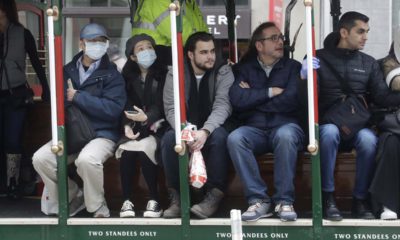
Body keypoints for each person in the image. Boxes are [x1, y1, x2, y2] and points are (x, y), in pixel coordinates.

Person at [301, 11, 400, 221]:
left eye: (367, 32)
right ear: (344, 32)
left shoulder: (369, 62)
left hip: (357, 125)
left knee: (368, 140)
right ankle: (327, 198)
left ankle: (359, 200)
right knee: (327, 133)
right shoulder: (317, 57)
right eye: (360, 31)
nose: (365, 37)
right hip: (329, 121)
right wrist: (305, 77)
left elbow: (382, 97)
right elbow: (307, 99)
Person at [32, 23, 126, 217]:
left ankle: (97, 206)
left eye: (102, 41)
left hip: (102, 134)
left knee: (87, 159)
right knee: (41, 159)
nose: (98, 45)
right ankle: (74, 194)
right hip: (74, 133)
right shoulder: (66, 70)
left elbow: (113, 110)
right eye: (93, 41)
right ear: (82, 44)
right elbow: (58, 103)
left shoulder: (113, 74)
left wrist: (79, 97)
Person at [227, 22, 304, 222]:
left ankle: (284, 200)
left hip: (285, 124)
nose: (280, 42)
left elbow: (291, 100)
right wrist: (270, 92)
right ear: (259, 46)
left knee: (285, 136)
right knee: (235, 138)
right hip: (255, 129)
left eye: (280, 38)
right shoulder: (244, 69)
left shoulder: (292, 67)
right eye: (273, 38)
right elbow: (237, 99)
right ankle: (258, 200)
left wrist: (253, 97)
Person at [162, 32, 234, 219]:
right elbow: (171, 108)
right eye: (203, 52)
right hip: (185, 127)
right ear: (190, 55)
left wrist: (205, 131)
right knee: (170, 138)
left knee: (220, 138)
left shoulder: (223, 71)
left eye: (212, 51)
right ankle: (178, 197)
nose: (210, 56)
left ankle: (213, 196)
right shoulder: (175, 73)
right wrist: (185, 131)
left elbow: (222, 106)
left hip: (211, 128)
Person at [0, 0, 50, 198]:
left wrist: (46, 88)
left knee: (13, 141)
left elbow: (38, 64)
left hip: (16, 97)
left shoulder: (23, 34)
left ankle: (13, 182)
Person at [115, 34, 168, 218]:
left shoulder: (165, 73)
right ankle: (126, 200)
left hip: (161, 126)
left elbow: (163, 103)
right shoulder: (127, 76)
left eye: (149, 47)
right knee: (128, 148)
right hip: (137, 127)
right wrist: (127, 125)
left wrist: (147, 117)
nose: (147, 51)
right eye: (141, 49)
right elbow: (125, 104)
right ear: (132, 57)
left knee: (146, 147)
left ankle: (154, 199)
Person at [369, 30, 400, 220]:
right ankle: (388, 204)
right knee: (390, 143)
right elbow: (396, 83)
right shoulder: (386, 63)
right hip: (394, 125)